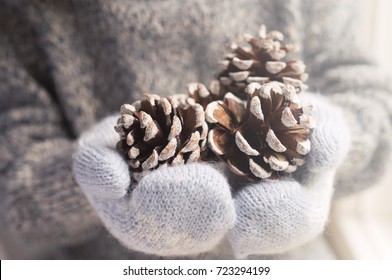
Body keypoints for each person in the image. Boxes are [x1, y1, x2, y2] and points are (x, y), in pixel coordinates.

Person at [0, 0, 390, 259]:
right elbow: (14, 188)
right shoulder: (19, 15)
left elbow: (371, 102)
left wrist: (329, 144)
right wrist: (92, 181)